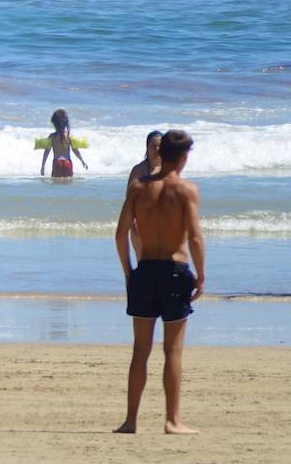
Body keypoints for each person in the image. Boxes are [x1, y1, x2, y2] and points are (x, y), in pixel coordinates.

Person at [114, 130, 204, 436]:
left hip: (145, 269)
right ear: (182, 157)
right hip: (175, 272)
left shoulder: (138, 188)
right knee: (173, 351)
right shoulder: (186, 190)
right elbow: (194, 237)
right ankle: (171, 420)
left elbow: (120, 233)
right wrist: (202, 276)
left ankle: (130, 421)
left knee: (141, 350)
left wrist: (129, 271)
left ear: (159, 152)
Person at [126, 130, 165, 255]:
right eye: (153, 146)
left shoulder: (169, 171)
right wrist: (133, 222)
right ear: (147, 148)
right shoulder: (138, 171)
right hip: (140, 225)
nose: (157, 149)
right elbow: (129, 200)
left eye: (160, 146)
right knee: (143, 265)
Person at [41, 108, 89, 178]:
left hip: (57, 163)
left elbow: (46, 152)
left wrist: (43, 166)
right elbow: (75, 150)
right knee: (68, 185)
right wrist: (82, 161)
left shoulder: (52, 136)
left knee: (56, 185)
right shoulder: (69, 136)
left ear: (54, 123)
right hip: (68, 163)